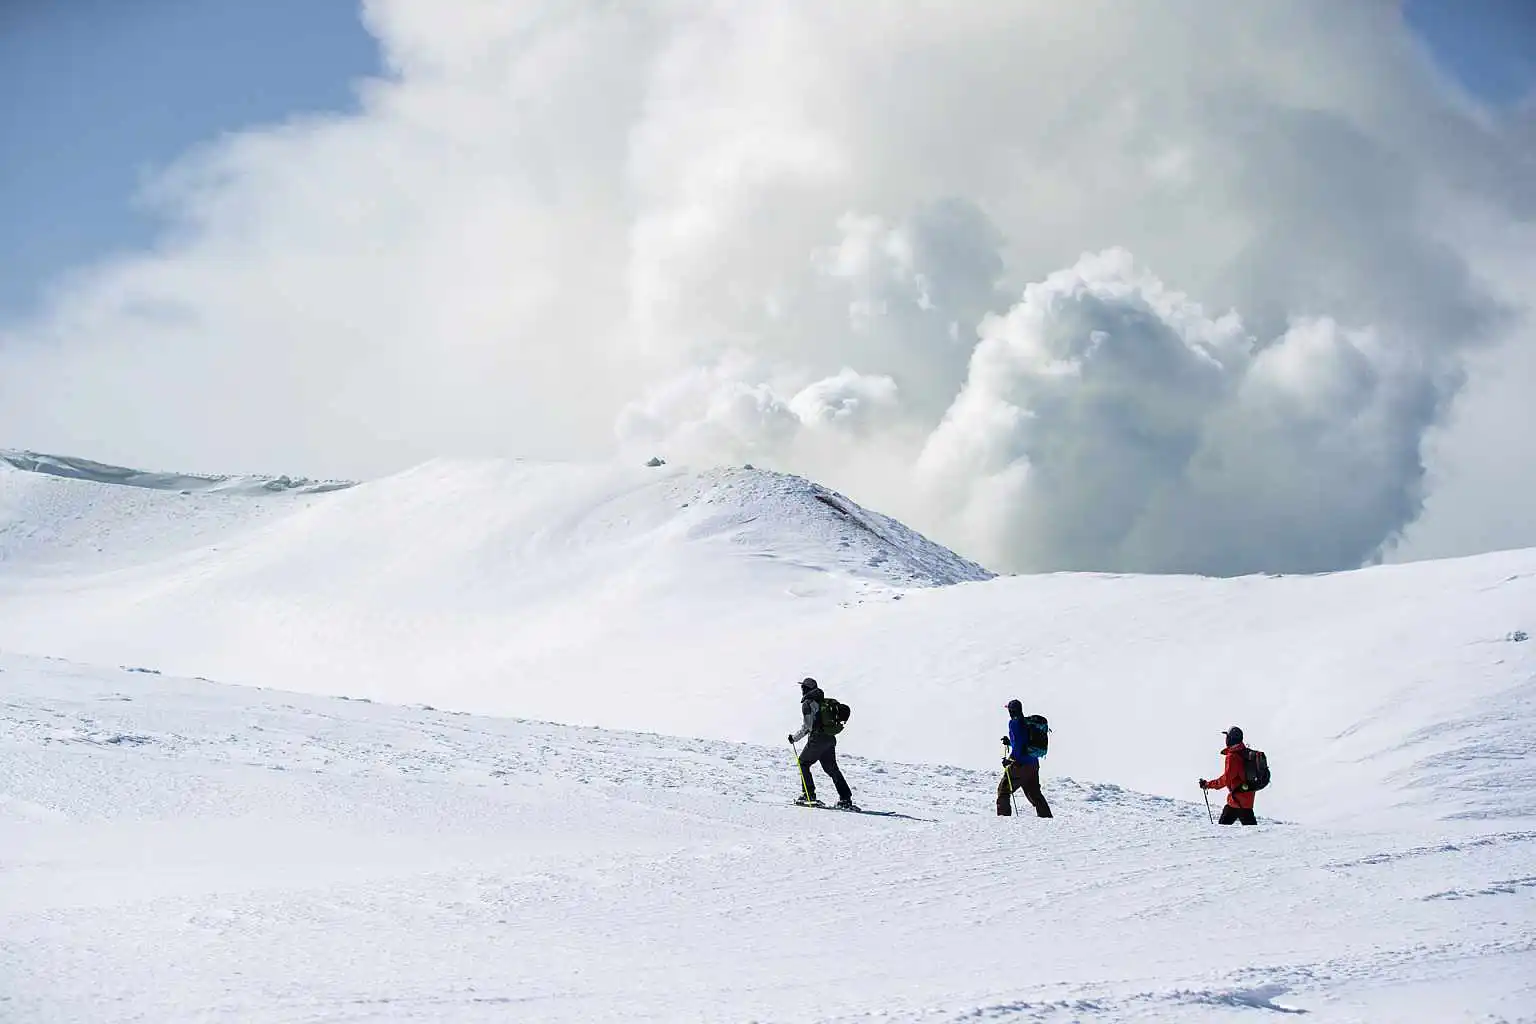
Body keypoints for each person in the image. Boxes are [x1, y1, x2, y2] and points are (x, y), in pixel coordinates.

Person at [789, 677, 854, 809]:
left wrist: (794, 738)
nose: (802, 690)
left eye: (803, 687)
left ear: (807, 689)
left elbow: (808, 726)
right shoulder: (823, 701)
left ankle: (809, 795)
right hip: (830, 739)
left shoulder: (808, 704)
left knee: (803, 763)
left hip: (817, 739)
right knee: (832, 769)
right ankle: (845, 798)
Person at [997, 698, 1052, 817]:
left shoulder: (1014, 723)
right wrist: (1010, 742)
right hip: (1033, 765)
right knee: (1035, 794)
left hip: (1020, 765)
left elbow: (1019, 747)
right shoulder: (1027, 723)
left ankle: (1002, 822)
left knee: (1003, 791)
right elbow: (1023, 743)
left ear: (1011, 711)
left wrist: (1010, 761)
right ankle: (1047, 819)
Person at [1201, 726, 1258, 825]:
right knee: (1252, 831)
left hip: (1237, 801)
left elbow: (1226, 779)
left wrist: (1208, 785)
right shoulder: (1245, 753)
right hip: (1247, 799)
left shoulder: (1233, 757)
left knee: (1222, 831)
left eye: (1227, 737)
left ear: (1230, 739)